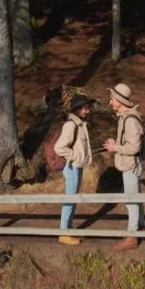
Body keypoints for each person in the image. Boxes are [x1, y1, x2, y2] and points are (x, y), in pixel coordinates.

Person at [103, 83, 145, 251]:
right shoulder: (125, 117)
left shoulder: (130, 120)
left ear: (120, 101)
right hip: (129, 164)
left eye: (112, 98)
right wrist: (116, 143)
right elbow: (129, 143)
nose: (110, 102)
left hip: (130, 165)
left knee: (131, 201)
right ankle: (140, 226)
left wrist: (115, 148)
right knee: (135, 198)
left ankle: (132, 237)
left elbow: (134, 148)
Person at [53, 94, 95, 245]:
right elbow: (58, 147)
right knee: (70, 200)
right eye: (85, 108)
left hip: (77, 166)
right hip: (72, 167)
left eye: (88, 107)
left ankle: (68, 229)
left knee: (73, 200)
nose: (87, 111)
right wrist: (74, 156)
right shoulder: (71, 125)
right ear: (77, 109)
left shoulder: (80, 124)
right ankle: (63, 233)